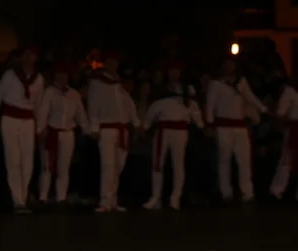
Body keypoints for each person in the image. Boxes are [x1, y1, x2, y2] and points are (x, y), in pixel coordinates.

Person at [0, 46, 43, 213]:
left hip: (28, 121)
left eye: (32, 55)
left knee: (27, 161)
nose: (29, 58)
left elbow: (38, 106)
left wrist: (40, 127)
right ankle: (17, 200)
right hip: (10, 119)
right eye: (27, 55)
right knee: (13, 159)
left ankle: (24, 197)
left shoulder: (38, 79)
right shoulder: (10, 75)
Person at [205, 56, 266, 203]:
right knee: (224, 160)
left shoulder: (241, 82)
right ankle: (226, 192)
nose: (229, 67)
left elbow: (250, 97)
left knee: (244, 160)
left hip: (240, 126)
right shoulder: (216, 84)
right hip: (223, 127)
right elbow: (210, 105)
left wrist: (263, 109)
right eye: (227, 64)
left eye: (231, 64)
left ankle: (247, 192)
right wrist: (209, 124)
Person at [142, 59, 203, 210]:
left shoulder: (187, 91)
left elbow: (194, 109)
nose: (173, 73)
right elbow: (152, 110)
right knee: (158, 163)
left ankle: (175, 198)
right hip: (163, 131)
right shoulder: (161, 91)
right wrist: (145, 126)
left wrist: (201, 124)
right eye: (171, 71)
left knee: (178, 164)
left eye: (176, 70)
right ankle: (156, 197)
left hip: (180, 131)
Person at [87, 50, 140, 213]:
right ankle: (105, 201)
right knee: (108, 164)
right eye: (110, 62)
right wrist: (94, 127)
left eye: (115, 62)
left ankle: (113, 200)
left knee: (118, 165)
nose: (113, 65)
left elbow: (128, 104)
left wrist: (136, 122)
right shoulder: (97, 82)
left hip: (122, 128)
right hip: (107, 128)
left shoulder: (119, 84)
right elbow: (93, 104)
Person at [35, 62, 89, 205]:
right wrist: (40, 130)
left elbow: (80, 115)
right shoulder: (49, 92)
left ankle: (61, 197)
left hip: (68, 133)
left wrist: (88, 131)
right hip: (51, 132)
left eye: (64, 74)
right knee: (47, 166)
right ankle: (43, 197)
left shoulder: (74, 94)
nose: (62, 77)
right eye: (59, 74)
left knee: (64, 166)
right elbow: (43, 112)